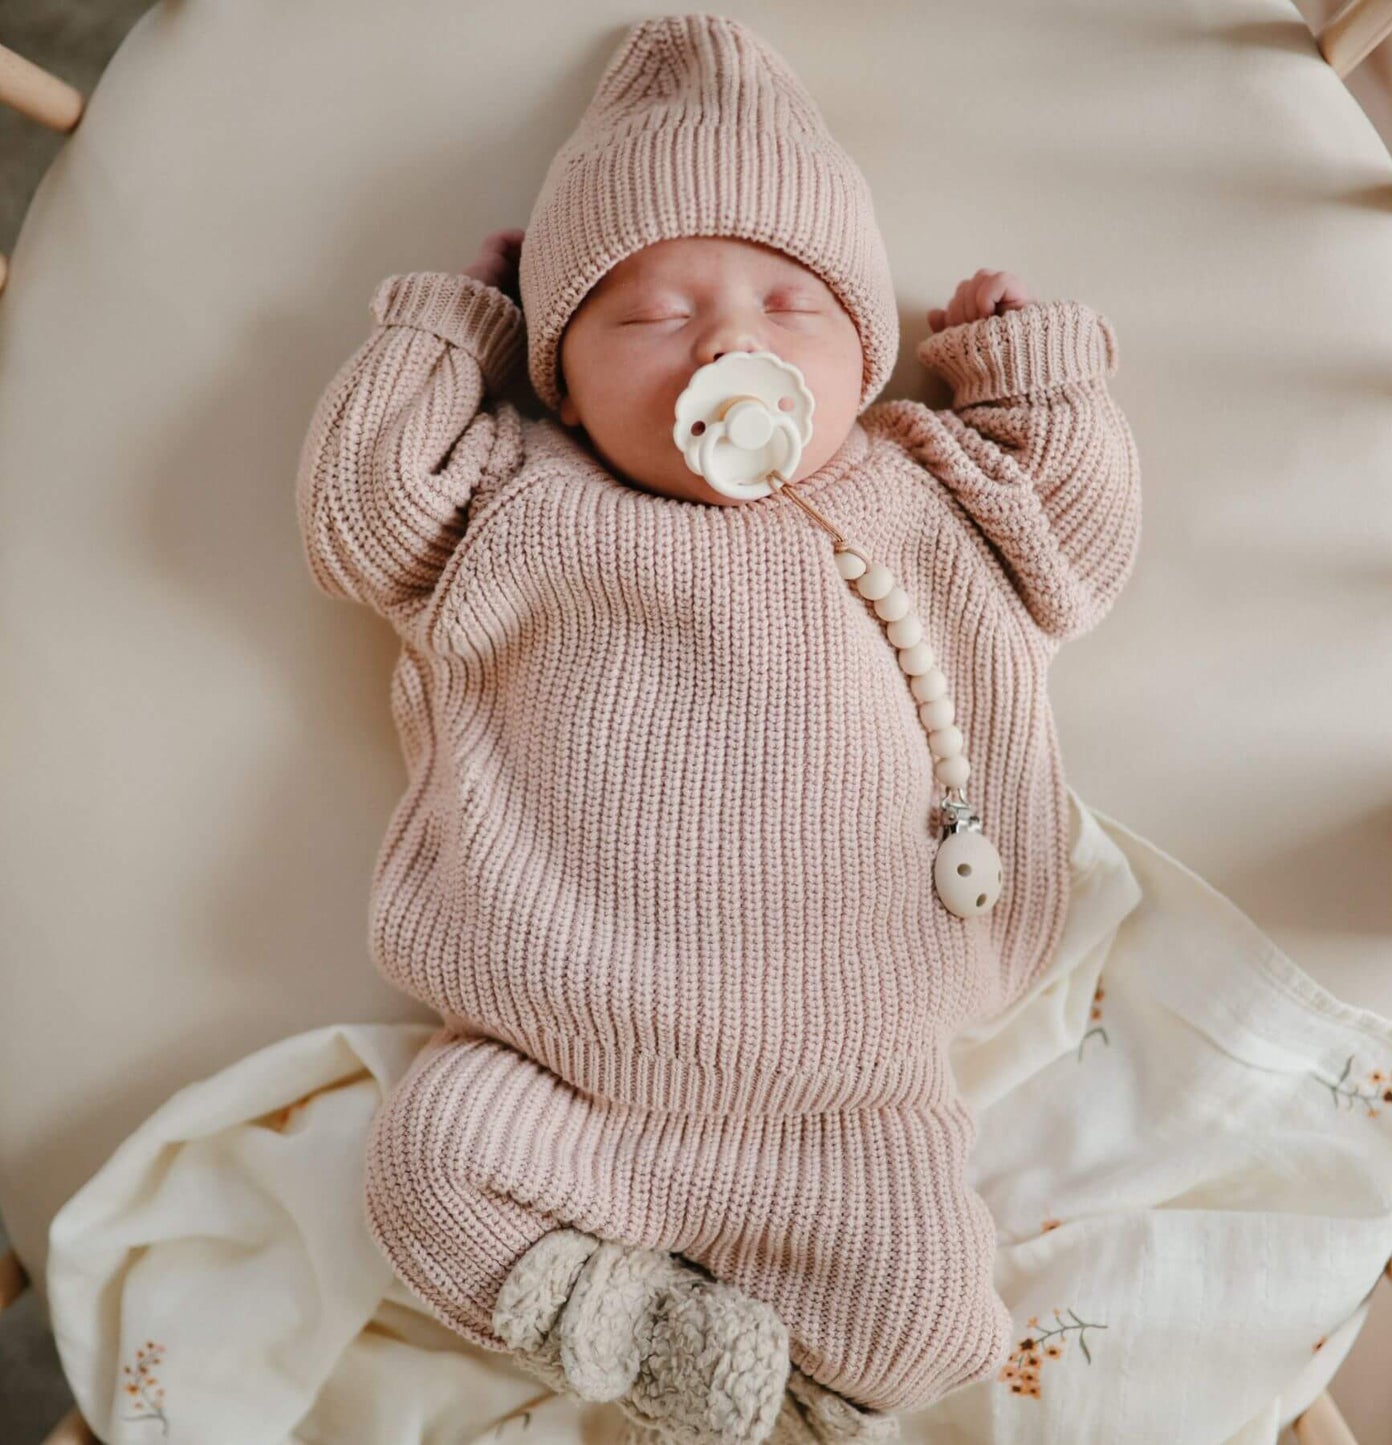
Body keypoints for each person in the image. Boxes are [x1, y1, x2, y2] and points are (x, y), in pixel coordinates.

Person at [294, 12, 1141, 1443]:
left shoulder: (913, 488)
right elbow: (359, 510)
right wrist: (450, 327)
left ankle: (773, 1390)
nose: (730, 340)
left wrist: (1029, 375)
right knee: (423, 1174)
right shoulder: (520, 501)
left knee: (929, 1320)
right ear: (561, 376)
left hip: (849, 1092)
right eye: (649, 316)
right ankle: (650, 1331)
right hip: (558, 1058)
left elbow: (1076, 541)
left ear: (867, 359)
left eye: (789, 307)